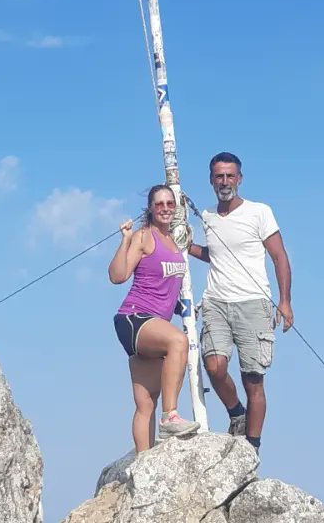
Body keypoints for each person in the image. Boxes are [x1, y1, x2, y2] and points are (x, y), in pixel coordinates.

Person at [188, 151, 293, 452]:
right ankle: (236, 413)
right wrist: (188, 245)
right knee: (214, 366)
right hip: (216, 302)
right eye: (219, 176)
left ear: (240, 179)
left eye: (230, 176)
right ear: (211, 180)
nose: (224, 181)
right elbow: (215, 254)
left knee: (253, 380)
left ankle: (252, 448)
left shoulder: (259, 212)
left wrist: (284, 301)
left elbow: (279, 256)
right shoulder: (206, 216)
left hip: (254, 303)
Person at [109, 184, 201, 451]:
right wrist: (125, 240)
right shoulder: (143, 236)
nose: (165, 208)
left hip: (155, 322)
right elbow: (117, 276)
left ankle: (143, 461)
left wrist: (182, 309)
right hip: (134, 318)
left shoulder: (174, 244)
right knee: (178, 342)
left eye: (169, 204)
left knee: (146, 402)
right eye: (159, 204)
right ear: (150, 208)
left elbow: (165, 288)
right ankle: (170, 415)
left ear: (176, 208)